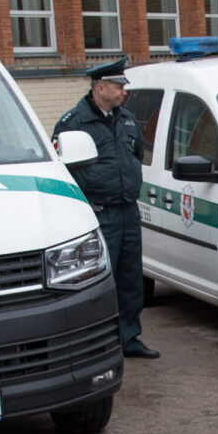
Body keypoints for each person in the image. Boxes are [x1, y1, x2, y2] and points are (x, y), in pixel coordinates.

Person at [52, 57, 158, 358]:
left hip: (127, 210)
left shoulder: (126, 118)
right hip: (98, 213)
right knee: (98, 281)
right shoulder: (74, 123)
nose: (124, 92)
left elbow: (136, 154)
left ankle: (128, 338)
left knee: (130, 277)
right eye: (118, 86)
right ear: (100, 88)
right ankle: (97, 342)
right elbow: (64, 168)